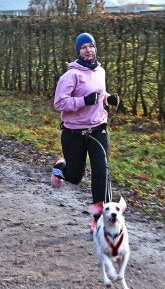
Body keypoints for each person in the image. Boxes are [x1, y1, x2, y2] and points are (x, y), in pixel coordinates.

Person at [51, 33, 120, 233]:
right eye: (83, 47)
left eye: (91, 46)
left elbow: (98, 93)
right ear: (78, 51)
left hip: (98, 129)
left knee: (101, 174)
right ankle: (60, 167)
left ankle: (99, 220)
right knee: (75, 176)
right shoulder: (71, 75)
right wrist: (84, 101)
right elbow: (59, 103)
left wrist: (108, 98)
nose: (88, 50)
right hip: (74, 133)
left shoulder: (100, 71)